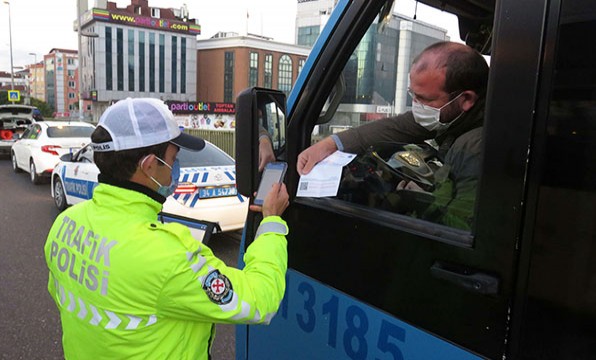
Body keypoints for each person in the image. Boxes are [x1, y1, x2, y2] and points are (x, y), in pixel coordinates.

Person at [44, 98, 290, 359]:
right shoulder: (167, 256)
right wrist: (272, 221)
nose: (177, 166)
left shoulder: (66, 223)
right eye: (174, 157)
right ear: (149, 165)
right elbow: (259, 301)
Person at [297, 41, 489, 230]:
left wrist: (422, 202)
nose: (416, 105)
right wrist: (329, 144)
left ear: (466, 99)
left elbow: (464, 230)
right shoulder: (454, 116)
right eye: (413, 95)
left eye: (425, 99)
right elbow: (398, 127)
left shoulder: (475, 147)